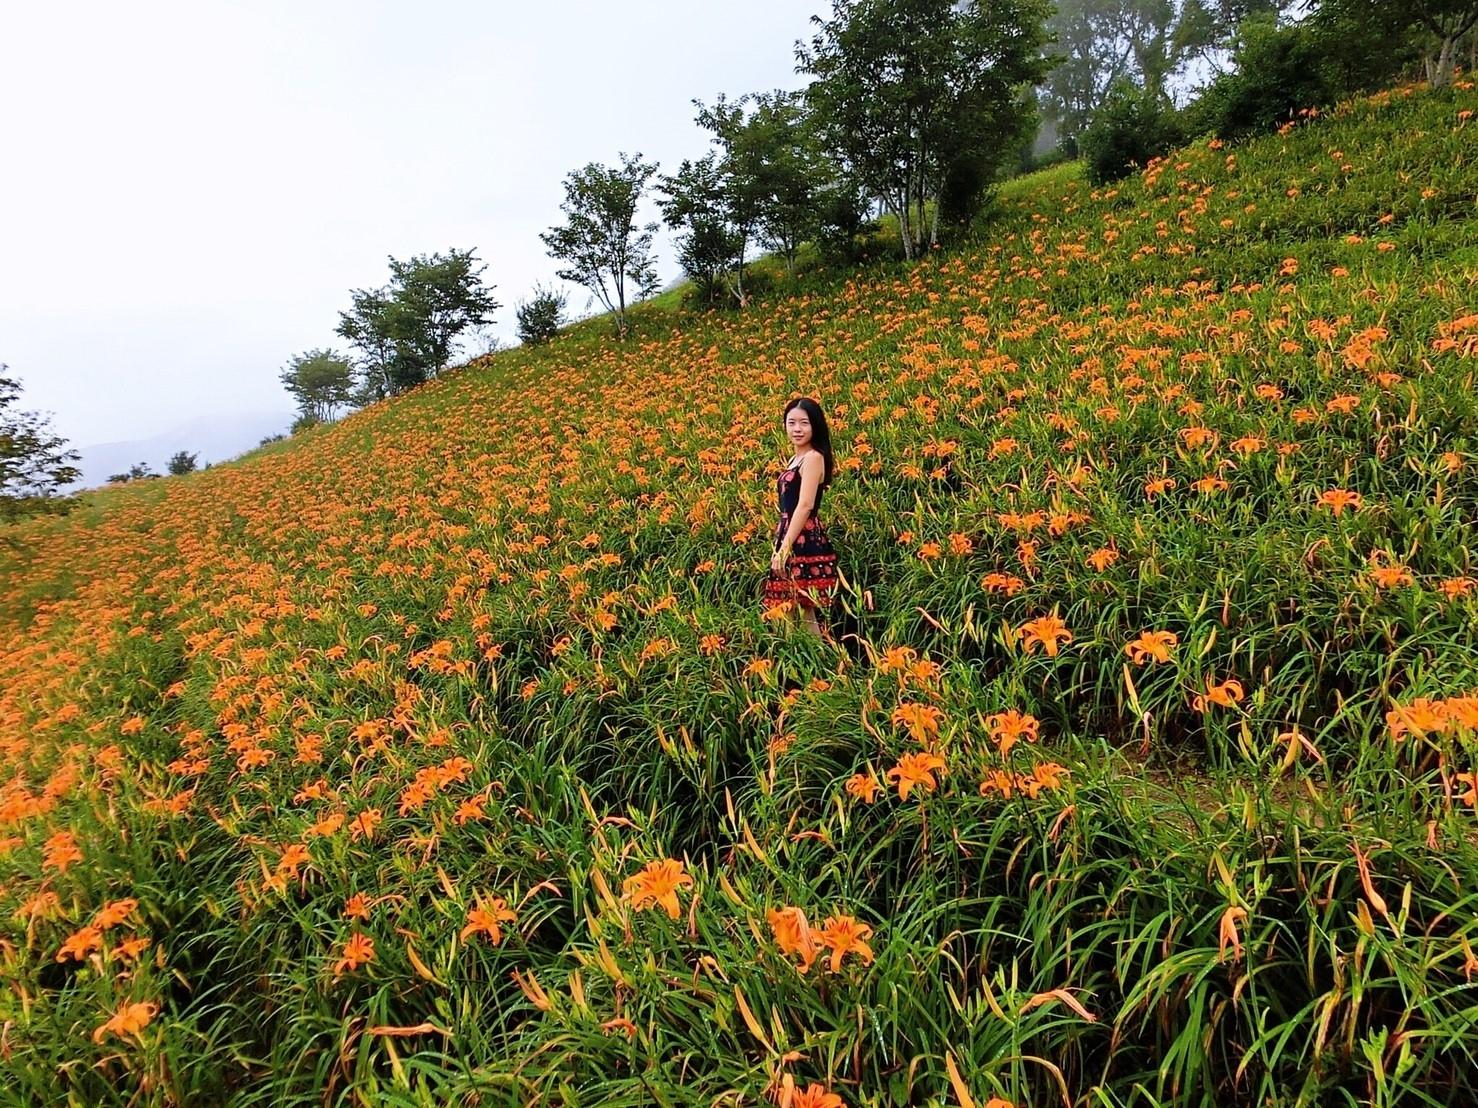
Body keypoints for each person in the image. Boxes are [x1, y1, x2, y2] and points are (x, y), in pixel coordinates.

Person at [762, 397, 839, 639]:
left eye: (804, 423)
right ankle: (801, 666)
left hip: (803, 540)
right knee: (786, 610)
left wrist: (785, 548)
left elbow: (805, 505)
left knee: (804, 612)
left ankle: (820, 668)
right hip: (790, 535)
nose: (797, 429)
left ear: (815, 426)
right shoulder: (795, 458)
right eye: (791, 422)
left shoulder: (814, 457)